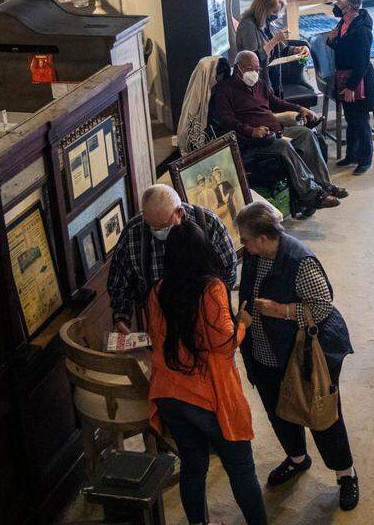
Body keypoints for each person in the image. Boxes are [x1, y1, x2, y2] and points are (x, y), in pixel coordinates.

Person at [233, 202, 360, 511]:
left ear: (263, 238)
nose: (243, 246)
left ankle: (346, 474)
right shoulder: (256, 256)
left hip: (302, 356)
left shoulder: (299, 260)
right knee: (278, 411)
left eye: (246, 240)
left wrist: (283, 310)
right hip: (265, 353)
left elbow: (323, 306)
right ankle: (297, 458)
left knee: (321, 414)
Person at [147, 219, 267, 525]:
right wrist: (243, 324)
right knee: (241, 467)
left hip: (170, 392)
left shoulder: (158, 291)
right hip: (209, 397)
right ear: (203, 251)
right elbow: (224, 344)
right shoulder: (211, 289)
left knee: (193, 465)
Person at [209, 50, 345, 213]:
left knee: (306, 134)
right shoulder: (224, 90)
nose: (254, 72)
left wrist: (300, 108)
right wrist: (251, 131)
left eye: (257, 69)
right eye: (249, 68)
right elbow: (226, 120)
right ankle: (313, 195)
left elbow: (276, 102)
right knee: (283, 146)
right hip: (253, 141)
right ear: (238, 68)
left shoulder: (259, 84)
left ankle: (325, 185)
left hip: (275, 131)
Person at [106, 184, 237, 333]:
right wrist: (121, 317)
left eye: (162, 226)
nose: (156, 232)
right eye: (152, 226)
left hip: (207, 320)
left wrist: (214, 307)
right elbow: (119, 282)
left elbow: (229, 271)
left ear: (179, 212)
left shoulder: (209, 224)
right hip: (161, 325)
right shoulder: (133, 232)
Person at [326, 0, 374, 175]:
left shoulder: (362, 30)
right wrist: (331, 40)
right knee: (350, 118)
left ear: (349, 7)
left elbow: (362, 61)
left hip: (359, 80)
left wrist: (350, 87)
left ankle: (365, 159)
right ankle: (352, 155)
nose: (336, 8)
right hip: (344, 75)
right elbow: (340, 47)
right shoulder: (344, 22)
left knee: (360, 120)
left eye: (339, 5)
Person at [235, 0, 311, 95]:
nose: (276, 15)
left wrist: (297, 50)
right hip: (256, 82)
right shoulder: (248, 26)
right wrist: (274, 40)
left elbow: (282, 49)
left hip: (272, 76)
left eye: (278, 12)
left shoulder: (267, 23)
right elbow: (253, 59)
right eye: (274, 12)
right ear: (263, 10)